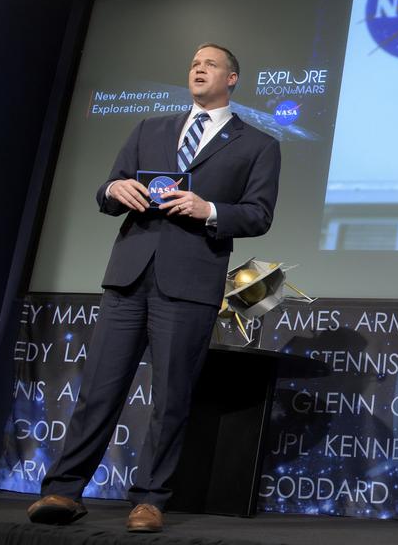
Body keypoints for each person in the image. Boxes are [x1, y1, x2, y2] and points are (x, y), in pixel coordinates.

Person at [27, 43, 281, 532]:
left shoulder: (258, 144)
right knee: (99, 390)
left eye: (210, 64)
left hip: (190, 282)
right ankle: (63, 489)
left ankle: (149, 499)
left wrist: (208, 209)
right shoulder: (150, 128)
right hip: (129, 276)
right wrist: (111, 190)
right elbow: (108, 189)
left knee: (171, 397)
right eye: (193, 63)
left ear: (232, 79)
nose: (198, 68)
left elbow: (258, 214)